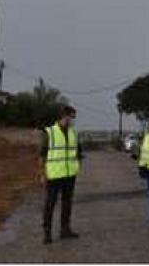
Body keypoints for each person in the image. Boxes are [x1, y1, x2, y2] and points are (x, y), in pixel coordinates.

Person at [39, 105, 82, 244]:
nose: (73, 120)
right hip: (53, 175)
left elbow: (78, 152)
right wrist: (42, 174)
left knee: (67, 203)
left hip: (69, 175)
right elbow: (41, 155)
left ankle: (65, 230)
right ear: (65, 116)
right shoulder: (49, 132)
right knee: (50, 204)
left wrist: (78, 164)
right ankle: (47, 233)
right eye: (72, 117)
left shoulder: (73, 133)